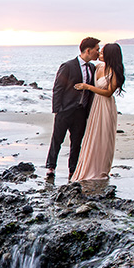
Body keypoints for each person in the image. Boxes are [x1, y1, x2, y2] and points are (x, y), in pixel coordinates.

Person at [45, 37, 100, 178]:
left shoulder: (93, 68)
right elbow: (58, 88)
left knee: (77, 141)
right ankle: (51, 166)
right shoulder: (68, 66)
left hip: (81, 111)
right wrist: (57, 110)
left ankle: (73, 169)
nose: (98, 53)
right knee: (57, 139)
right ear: (88, 50)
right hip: (65, 110)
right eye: (96, 50)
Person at [70, 43, 125, 181]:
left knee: (103, 137)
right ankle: (88, 166)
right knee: (93, 136)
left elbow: (108, 92)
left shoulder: (114, 72)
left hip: (105, 106)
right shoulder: (98, 67)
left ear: (109, 55)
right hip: (95, 105)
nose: (99, 54)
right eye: (99, 51)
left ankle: (100, 169)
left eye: (102, 52)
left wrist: (87, 87)